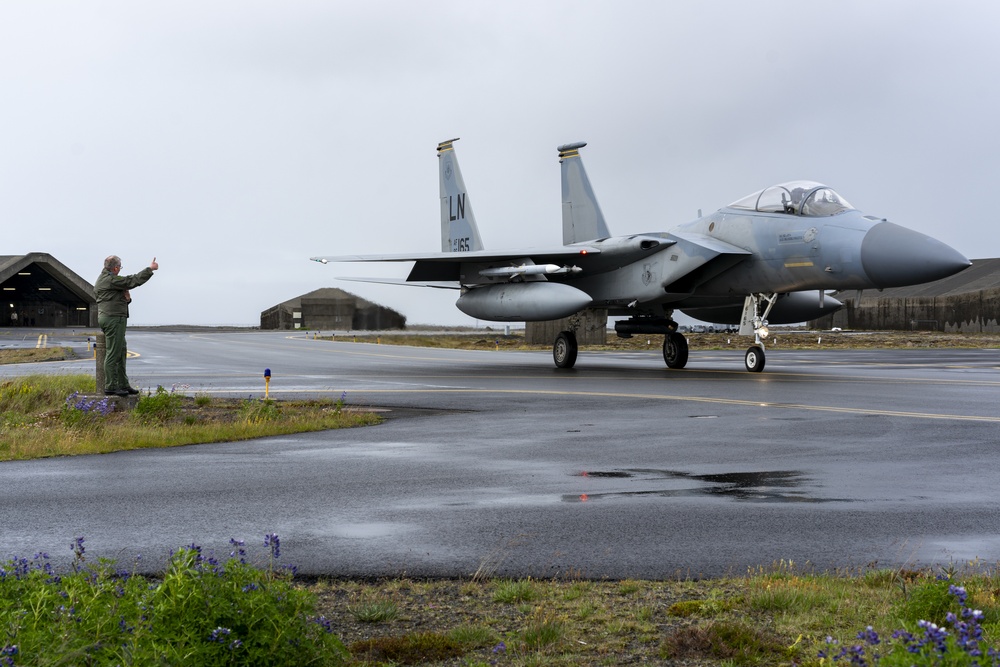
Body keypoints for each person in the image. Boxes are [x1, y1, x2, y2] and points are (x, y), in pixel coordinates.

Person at [95, 255, 159, 396]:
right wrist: (150, 269)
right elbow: (132, 280)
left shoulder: (104, 279)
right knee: (113, 353)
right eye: (120, 267)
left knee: (121, 352)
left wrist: (127, 300)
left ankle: (123, 384)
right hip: (113, 319)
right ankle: (111, 385)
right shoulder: (111, 279)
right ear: (116, 268)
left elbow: (112, 299)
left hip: (111, 318)